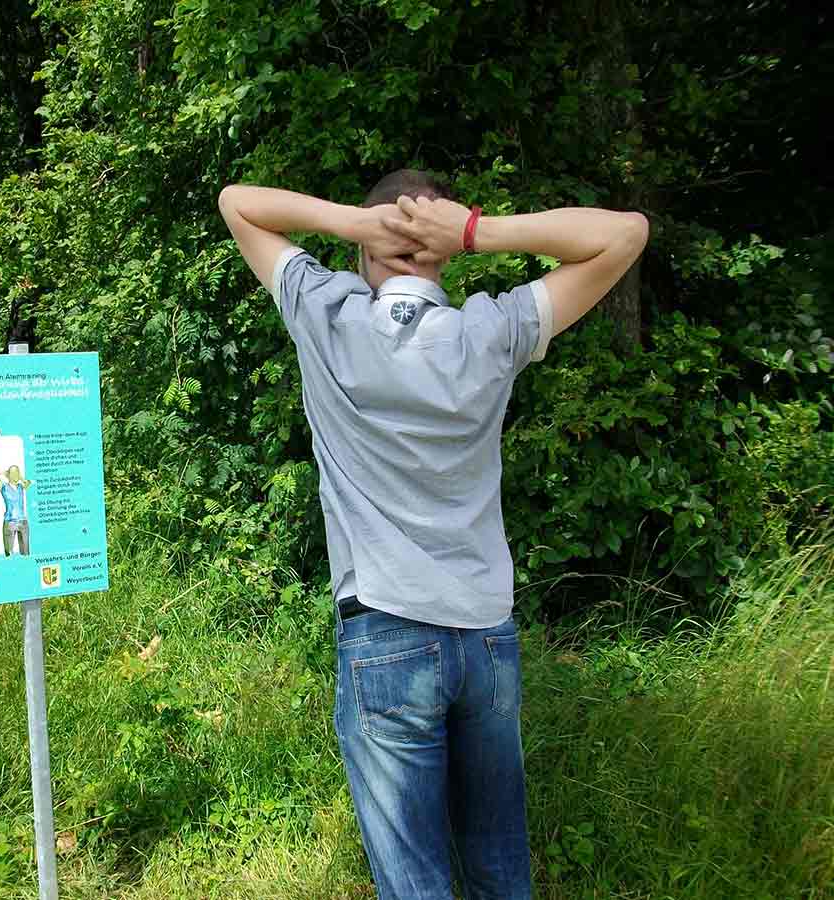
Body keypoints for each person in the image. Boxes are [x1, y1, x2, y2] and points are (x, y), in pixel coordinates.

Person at [218, 171, 648, 899]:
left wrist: (359, 223)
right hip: (485, 636)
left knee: (414, 884)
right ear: (444, 253)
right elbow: (625, 233)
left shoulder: (326, 315)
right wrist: (477, 229)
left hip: (384, 632)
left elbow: (238, 203)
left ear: (370, 245)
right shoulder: (492, 329)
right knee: (500, 871)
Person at [0, 464, 33, 557]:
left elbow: (28, 482)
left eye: (18, 472)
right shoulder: (3, 487)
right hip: (10, 522)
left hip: (23, 522)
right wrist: (5, 473)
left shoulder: (21, 487)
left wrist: (19, 477)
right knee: (9, 553)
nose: (16, 475)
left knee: (26, 553)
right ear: (9, 475)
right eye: (14, 473)